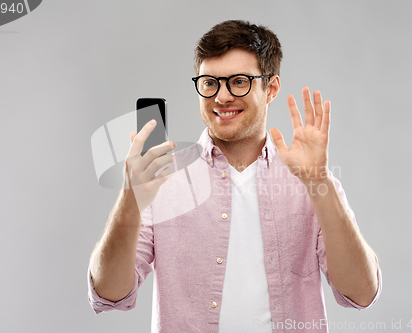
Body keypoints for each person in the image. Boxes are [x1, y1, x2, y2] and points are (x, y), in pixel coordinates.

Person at [88, 20, 382, 332]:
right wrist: (130, 201)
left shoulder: (311, 181)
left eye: (238, 82)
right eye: (209, 82)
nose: (222, 97)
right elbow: (109, 294)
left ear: (270, 89)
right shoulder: (161, 180)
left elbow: (361, 294)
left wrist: (319, 183)